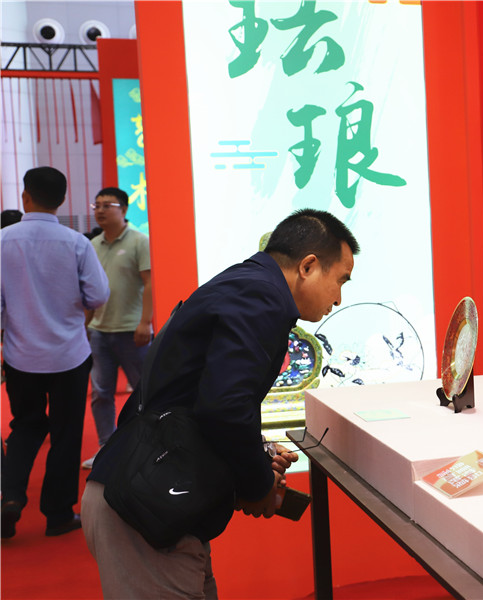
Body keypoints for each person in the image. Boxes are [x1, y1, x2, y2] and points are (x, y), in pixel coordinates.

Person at [81, 208, 358, 598]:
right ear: (308, 266)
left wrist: (257, 453)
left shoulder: (246, 285)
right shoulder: (262, 297)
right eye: (340, 280)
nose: (339, 298)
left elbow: (199, 400)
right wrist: (259, 485)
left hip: (146, 496)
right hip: (143, 510)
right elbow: (225, 409)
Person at [0, 166, 110, 539]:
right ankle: (59, 514)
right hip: (69, 356)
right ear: (62, 200)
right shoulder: (76, 242)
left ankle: (10, 496)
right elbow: (98, 295)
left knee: (25, 426)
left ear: (25, 197)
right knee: (66, 433)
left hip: (21, 356)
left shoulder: (3, 241)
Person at [81, 187, 153, 470]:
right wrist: (84, 325)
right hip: (99, 331)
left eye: (106, 205)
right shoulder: (92, 245)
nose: (99, 210)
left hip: (132, 331)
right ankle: (106, 449)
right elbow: (88, 291)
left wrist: (145, 322)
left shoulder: (139, 241)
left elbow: (150, 283)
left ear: (123, 209)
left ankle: (149, 448)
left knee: (145, 393)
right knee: (101, 393)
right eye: (96, 205)